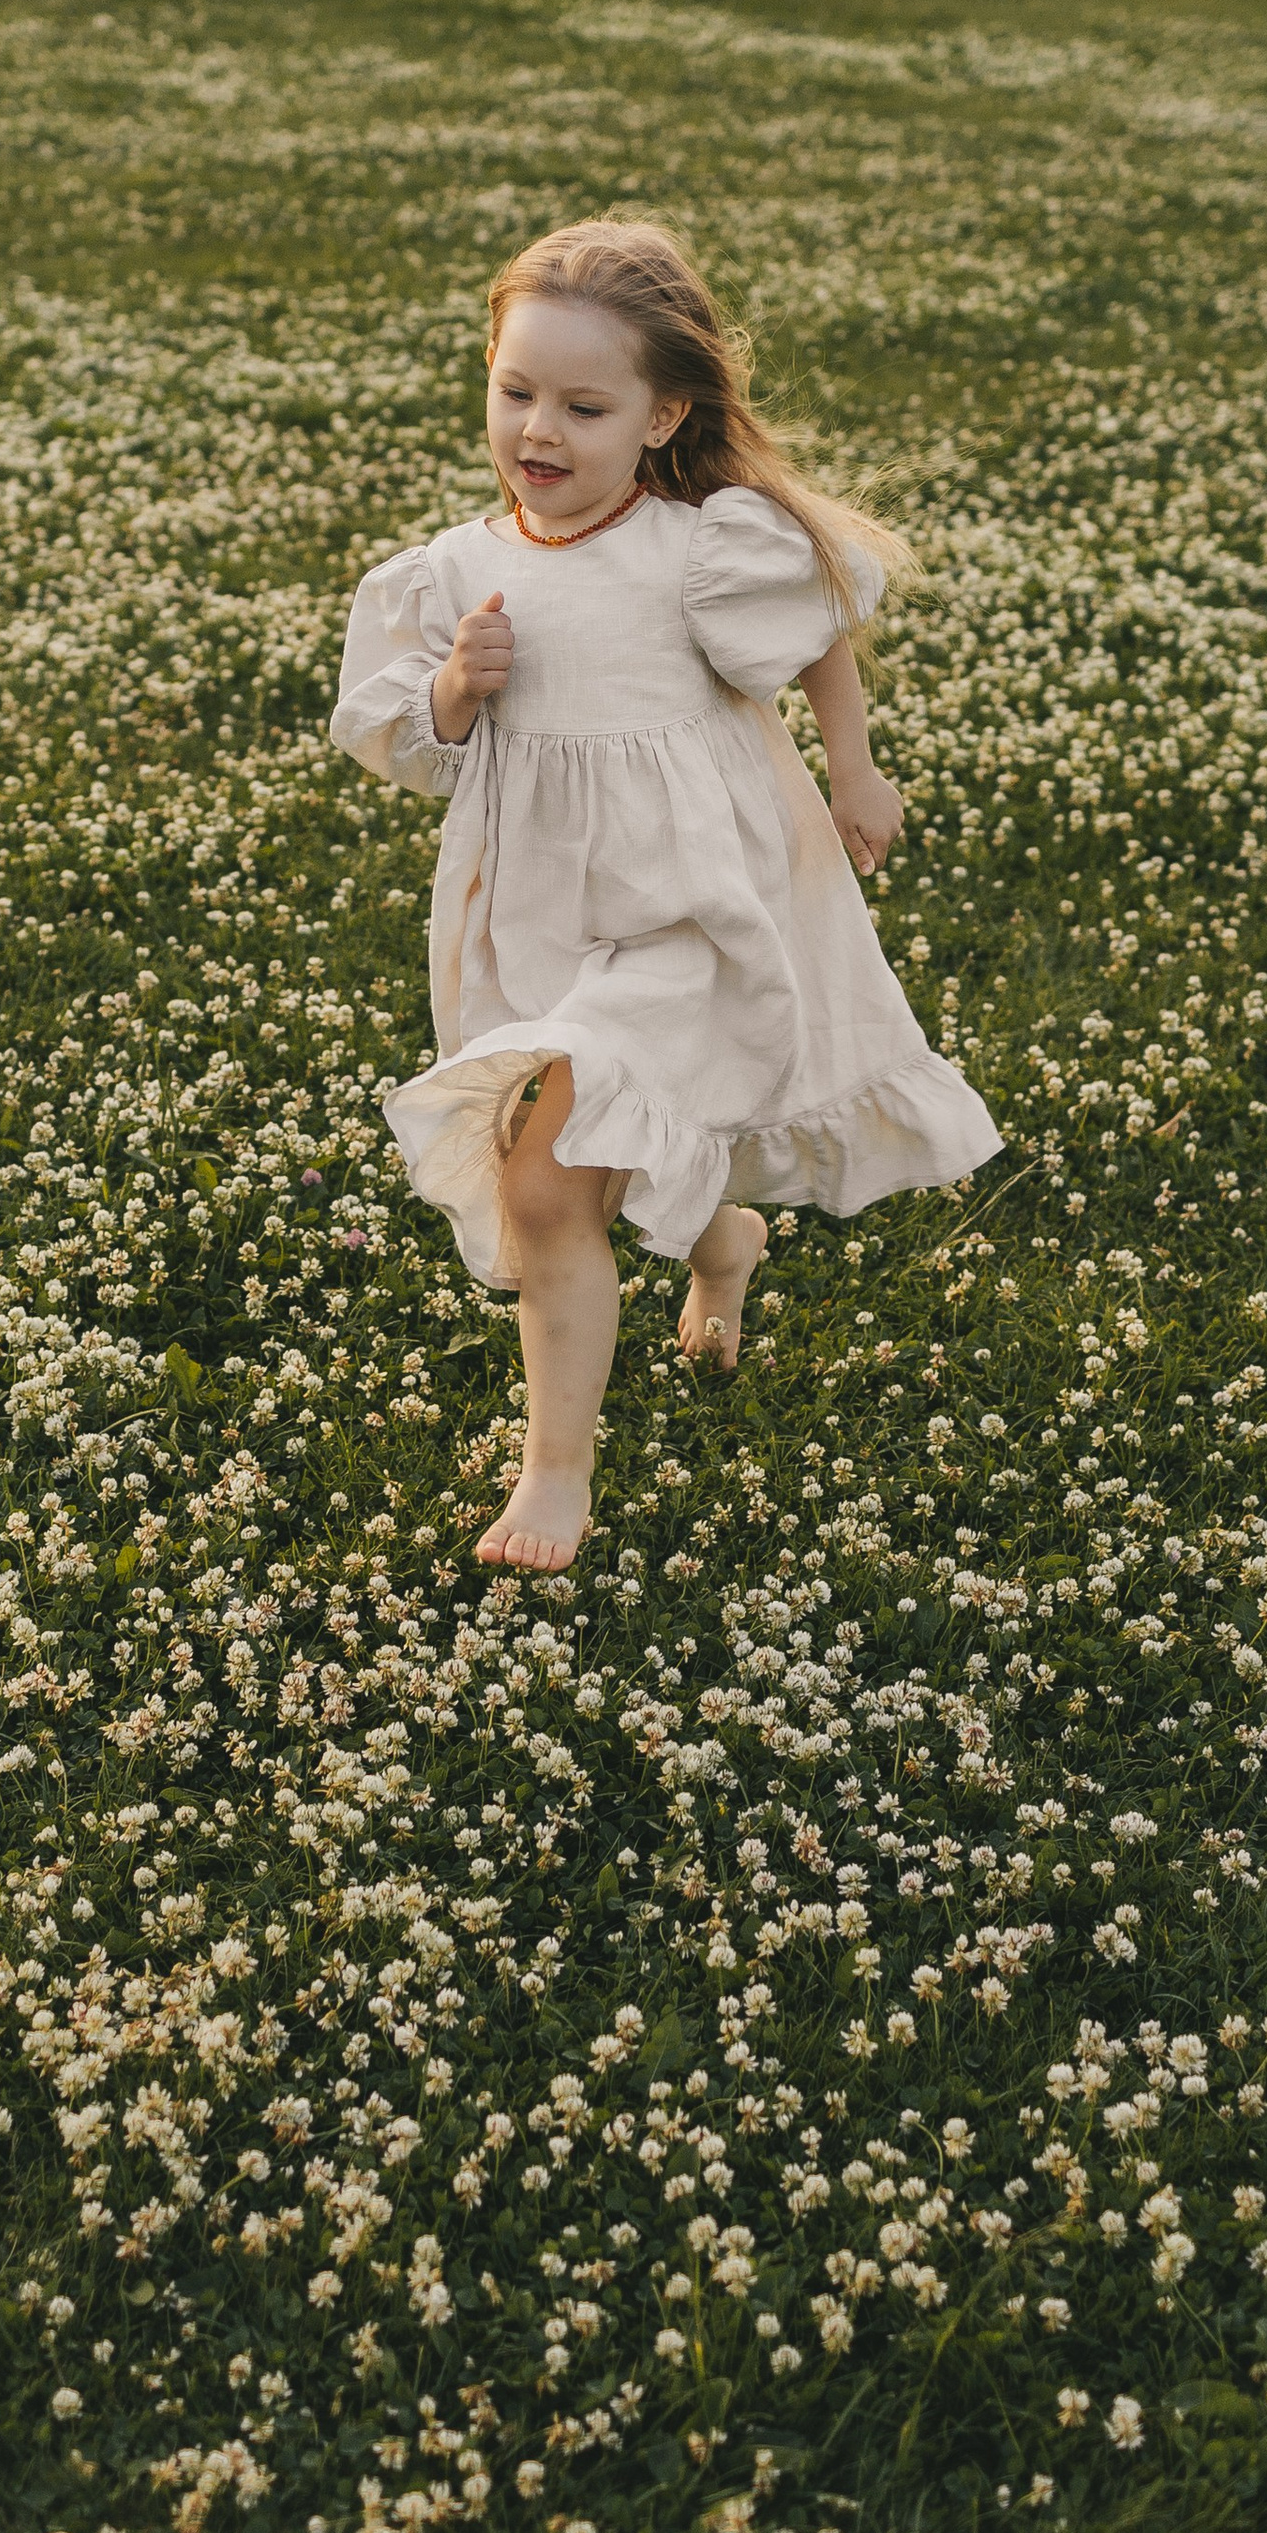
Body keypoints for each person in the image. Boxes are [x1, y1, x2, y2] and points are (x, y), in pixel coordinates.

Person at [331, 215, 1000, 1573]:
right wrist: (455, 691)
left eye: (585, 407)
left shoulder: (702, 547)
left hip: (696, 911)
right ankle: (719, 1239)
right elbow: (406, 747)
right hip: (545, 921)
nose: (540, 430)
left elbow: (820, 628)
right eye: (516, 391)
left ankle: (554, 1478)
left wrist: (855, 769)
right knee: (596, 1146)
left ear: (662, 417)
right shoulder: (453, 574)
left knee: (547, 1185)